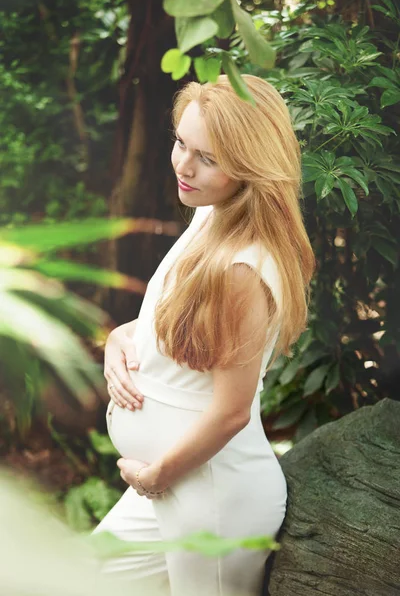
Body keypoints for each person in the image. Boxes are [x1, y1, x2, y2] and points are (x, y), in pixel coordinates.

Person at [92, 74, 316, 596]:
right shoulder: (208, 215)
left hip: (209, 498)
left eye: (207, 158)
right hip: (174, 486)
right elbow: (171, 327)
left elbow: (232, 410)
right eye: (181, 144)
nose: (183, 166)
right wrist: (118, 341)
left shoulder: (243, 268)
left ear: (251, 167)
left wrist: (157, 475)